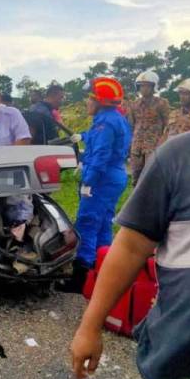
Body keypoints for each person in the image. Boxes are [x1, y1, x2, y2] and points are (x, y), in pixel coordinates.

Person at [70, 106, 190, 379]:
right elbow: (131, 247)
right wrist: (90, 326)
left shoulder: (116, 120)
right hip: (182, 365)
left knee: (92, 227)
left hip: (104, 180)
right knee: (92, 229)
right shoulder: (180, 155)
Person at [57, 77, 131, 293]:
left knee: (87, 223)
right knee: (103, 223)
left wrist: (88, 181)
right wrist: (83, 136)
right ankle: (101, 270)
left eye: (90, 99)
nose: (87, 103)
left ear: (101, 101)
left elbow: (101, 154)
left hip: (101, 179)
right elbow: (100, 140)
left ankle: (79, 278)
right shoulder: (113, 118)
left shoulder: (105, 122)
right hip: (113, 178)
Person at [127, 71, 170, 185]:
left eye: (147, 86)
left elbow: (168, 125)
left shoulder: (162, 103)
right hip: (136, 147)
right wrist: (129, 145)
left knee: (152, 177)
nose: (144, 89)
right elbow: (131, 126)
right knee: (136, 178)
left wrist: (163, 142)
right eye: (141, 86)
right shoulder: (134, 105)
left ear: (153, 87)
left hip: (154, 146)